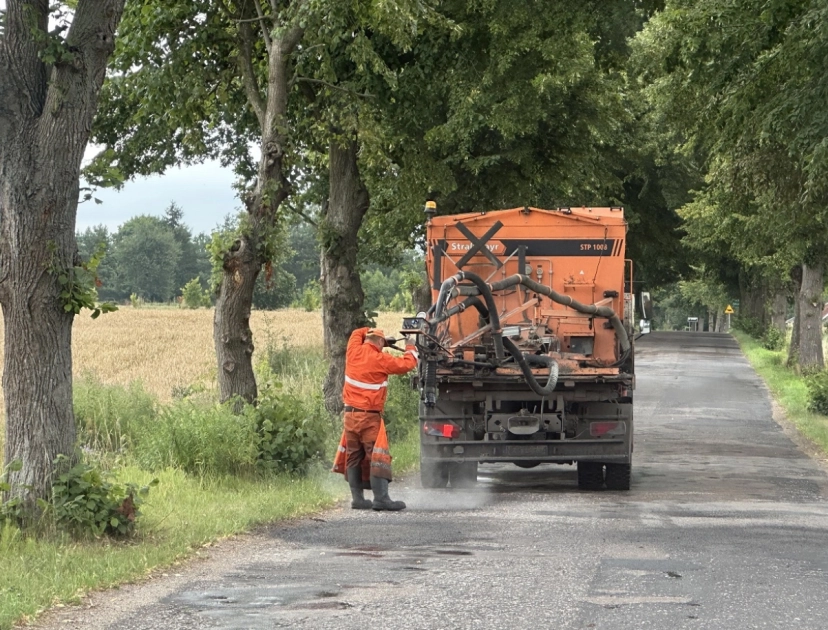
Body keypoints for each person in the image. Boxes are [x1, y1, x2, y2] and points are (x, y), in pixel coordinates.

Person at [333, 327, 418, 511]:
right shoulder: (381, 359)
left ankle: (358, 499)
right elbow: (407, 365)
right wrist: (411, 347)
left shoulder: (353, 350)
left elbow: (357, 331)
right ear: (379, 343)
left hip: (349, 415)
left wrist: (382, 338)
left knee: (354, 455)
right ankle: (381, 499)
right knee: (376, 455)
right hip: (369, 417)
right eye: (382, 344)